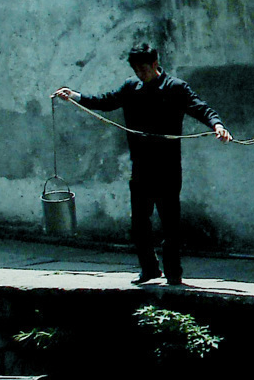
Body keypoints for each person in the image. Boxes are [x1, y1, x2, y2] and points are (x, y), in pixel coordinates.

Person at [53, 42, 231, 287]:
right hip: (141, 167)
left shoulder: (175, 88)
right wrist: (75, 96)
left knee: (170, 224)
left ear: (155, 64)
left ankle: (173, 274)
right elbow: (106, 101)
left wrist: (217, 126)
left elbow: (201, 108)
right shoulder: (131, 87)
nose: (140, 74)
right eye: (136, 70)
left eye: (144, 69)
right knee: (139, 224)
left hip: (167, 168)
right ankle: (149, 269)